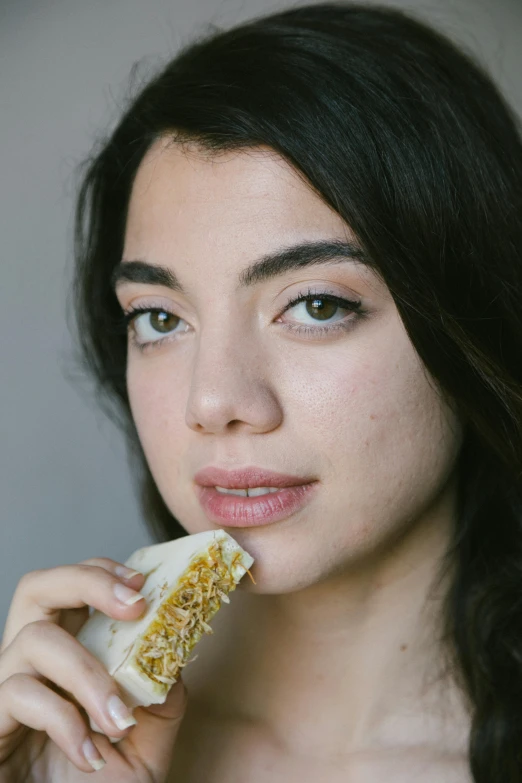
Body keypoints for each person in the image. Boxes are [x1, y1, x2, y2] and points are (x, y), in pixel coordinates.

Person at [1, 2, 521, 780]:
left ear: (473, 314)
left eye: (316, 305)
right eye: (159, 317)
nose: (213, 402)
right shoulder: (67, 748)